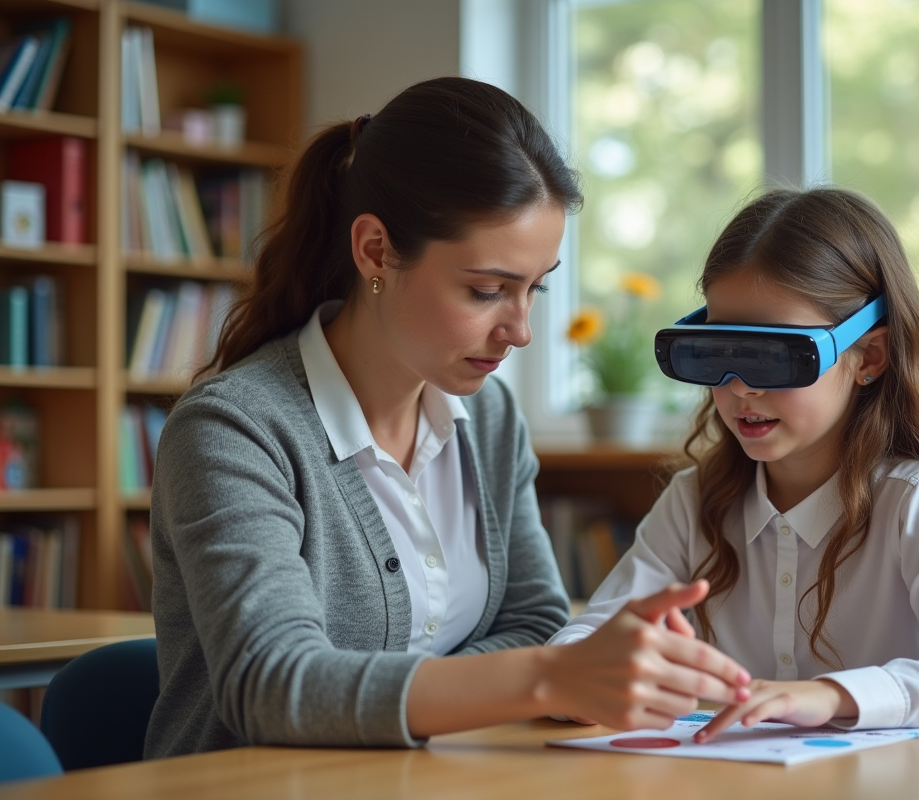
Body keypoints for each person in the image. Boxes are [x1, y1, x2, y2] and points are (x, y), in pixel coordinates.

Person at [145, 77, 750, 759]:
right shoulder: (234, 431)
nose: (520, 330)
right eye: (487, 290)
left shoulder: (487, 419)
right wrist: (546, 678)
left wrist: (533, 672)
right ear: (375, 251)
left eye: (536, 288)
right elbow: (272, 686)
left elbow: (535, 621)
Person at [548, 187, 919, 741]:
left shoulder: (913, 501)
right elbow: (588, 639)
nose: (740, 388)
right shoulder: (692, 502)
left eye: (774, 356)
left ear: (869, 356)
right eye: (718, 351)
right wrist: (576, 681)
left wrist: (828, 695)